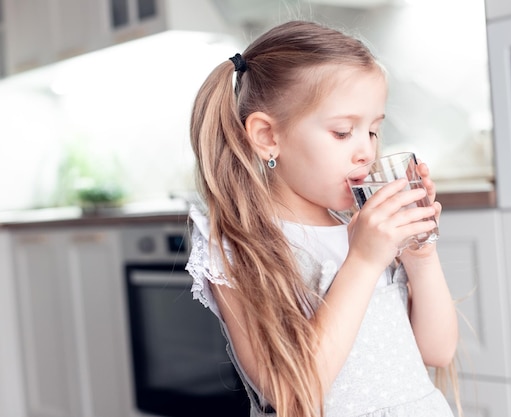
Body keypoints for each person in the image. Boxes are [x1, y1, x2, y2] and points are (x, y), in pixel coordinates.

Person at [185, 20, 459, 417]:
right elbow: (295, 394)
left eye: (374, 131)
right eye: (343, 132)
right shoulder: (239, 247)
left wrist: (419, 254)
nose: (366, 151)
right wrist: (363, 261)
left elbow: (438, 350)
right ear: (267, 137)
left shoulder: (361, 227)